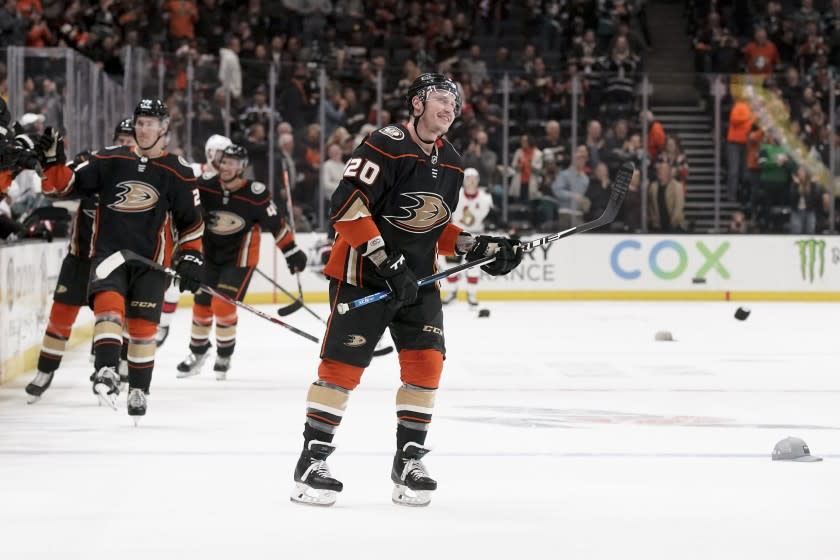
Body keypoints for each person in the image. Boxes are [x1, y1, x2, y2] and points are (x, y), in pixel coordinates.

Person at [289, 73, 523, 508]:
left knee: (426, 366)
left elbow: (435, 227)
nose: (449, 107)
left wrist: (479, 246)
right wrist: (385, 260)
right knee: (341, 370)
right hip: (365, 276)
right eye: (440, 99)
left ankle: (408, 459)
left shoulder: (451, 161)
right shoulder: (386, 143)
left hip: (417, 281)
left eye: (454, 102)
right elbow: (345, 204)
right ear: (416, 104)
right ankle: (311, 460)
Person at [39, 99, 205, 424]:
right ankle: (105, 370)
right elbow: (61, 187)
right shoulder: (108, 159)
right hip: (109, 256)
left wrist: (191, 258)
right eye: (139, 123)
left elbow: (191, 223)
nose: (143, 130)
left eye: (150, 124)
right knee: (109, 309)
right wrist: (52, 163)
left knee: (143, 331)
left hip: (151, 263)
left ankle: (138, 389)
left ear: (164, 129)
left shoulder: (179, 171)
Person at [25, 118, 137, 403]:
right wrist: (51, 166)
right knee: (60, 317)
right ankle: (45, 370)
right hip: (80, 258)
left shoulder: (143, 172)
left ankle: (114, 367)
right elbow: (56, 187)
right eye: (121, 138)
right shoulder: (93, 162)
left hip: (115, 261)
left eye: (130, 138)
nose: (125, 143)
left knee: (115, 319)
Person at [175, 144, 306, 380]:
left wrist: (291, 251)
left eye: (233, 163)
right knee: (202, 304)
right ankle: (197, 353)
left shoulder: (255, 194)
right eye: (224, 162)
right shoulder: (205, 186)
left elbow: (276, 223)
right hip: (209, 256)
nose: (226, 167)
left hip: (240, 260)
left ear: (243, 167)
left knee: (222, 304)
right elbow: (187, 212)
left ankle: (224, 355)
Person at [157, 133, 232, 347]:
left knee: (194, 289)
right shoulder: (192, 171)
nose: (225, 159)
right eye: (221, 153)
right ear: (210, 153)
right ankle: (162, 323)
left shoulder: (229, 180)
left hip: (210, 241)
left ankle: (198, 341)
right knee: (172, 280)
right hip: (185, 235)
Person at [441, 167, 494, 308]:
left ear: (477, 181)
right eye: (468, 178)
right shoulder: (455, 195)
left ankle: (471, 294)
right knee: (450, 266)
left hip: (475, 235)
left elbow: (493, 217)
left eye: (473, 178)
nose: (470, 182)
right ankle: (452, 292)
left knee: (474, 267)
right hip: (456, 235)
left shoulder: (485, 198)